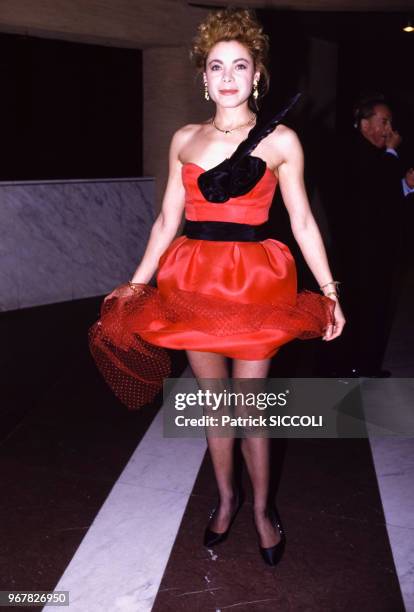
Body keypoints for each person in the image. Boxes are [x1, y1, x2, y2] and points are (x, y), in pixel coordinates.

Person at [88, 7, 345, 566]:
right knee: (214, 407)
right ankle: (226, 500)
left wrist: (329, 290)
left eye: (240, 65)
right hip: (191, 279)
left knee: (249, 409)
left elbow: (302, 222)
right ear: (203, 78)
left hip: (256, 283)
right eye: (216, 66)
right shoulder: (183, 137)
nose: (228, 76)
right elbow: (166, 222)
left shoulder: (281, 142)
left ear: (258, 76)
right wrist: (135, 286)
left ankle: (260, 509)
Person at [331, 95, 404, 377]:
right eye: (383, 121)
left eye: (390, 123)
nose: (389, 129)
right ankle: (353, 364)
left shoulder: (371, 154)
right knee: (362, 307)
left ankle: (366, 363)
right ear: (364, 123)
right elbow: (373, 188)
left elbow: (384, 197)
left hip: (374, 247)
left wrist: (406, 186)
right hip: (360, 249)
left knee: (375, 307)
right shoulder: (356, 151)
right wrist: (392, 154)